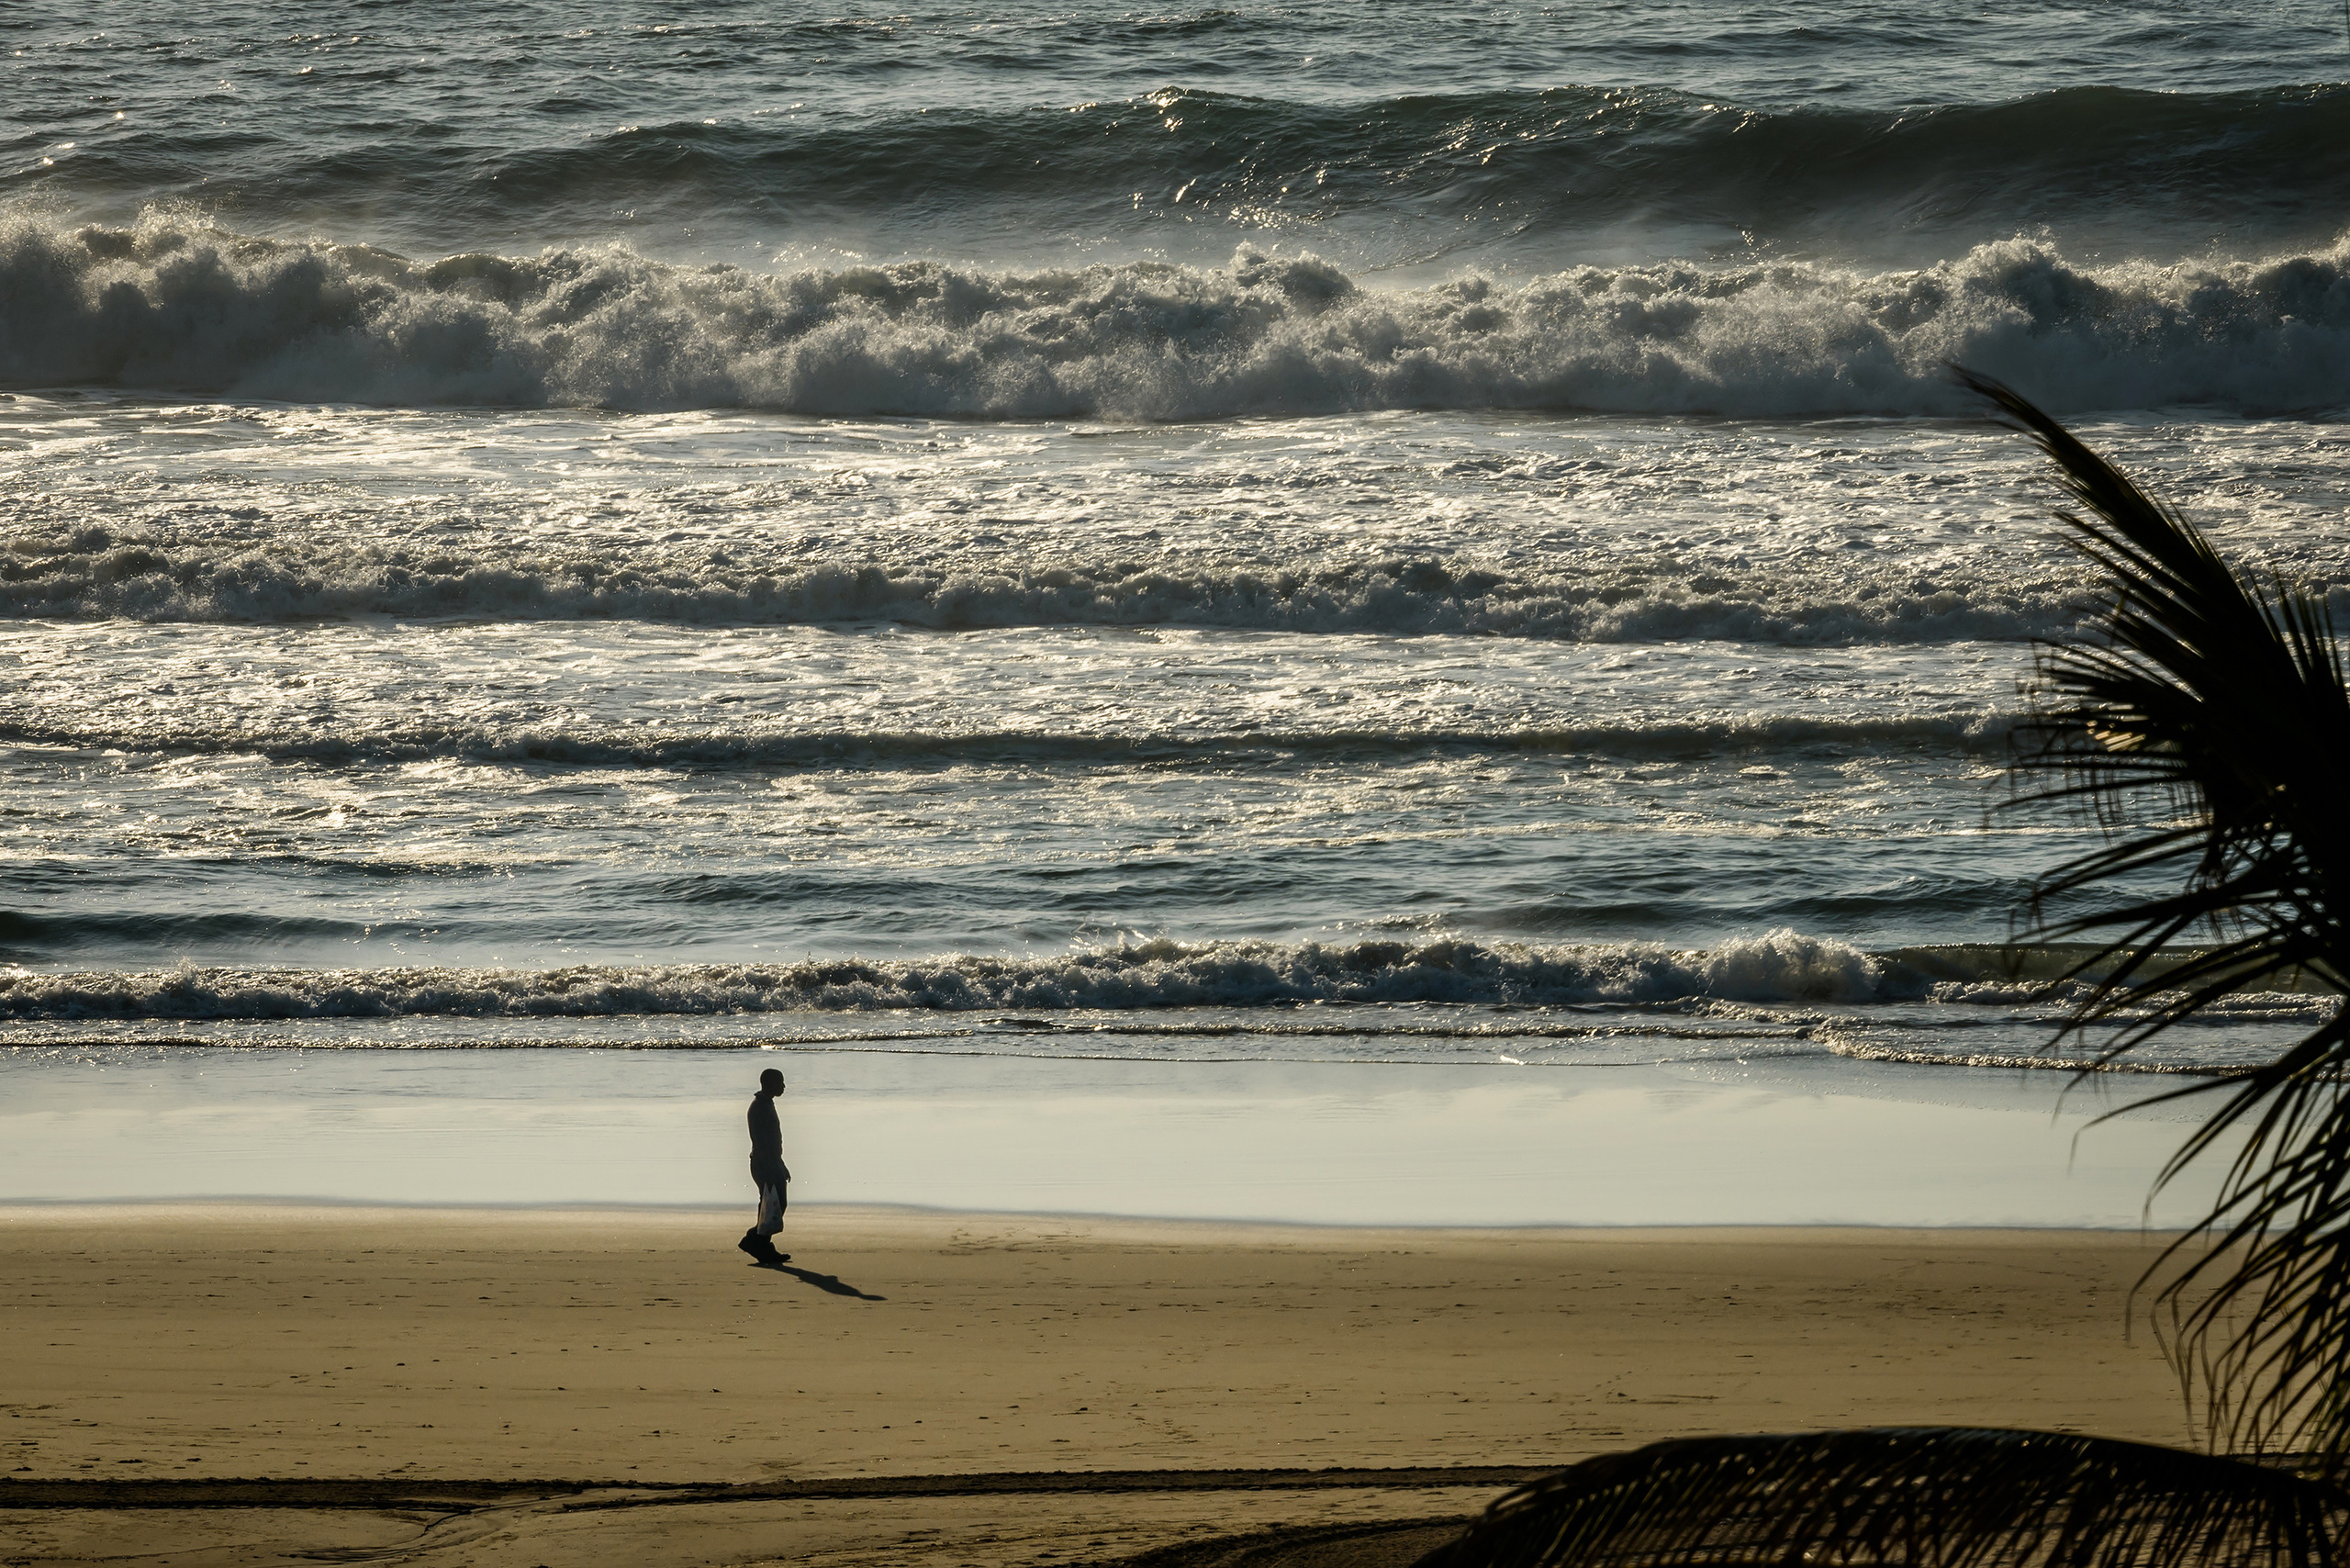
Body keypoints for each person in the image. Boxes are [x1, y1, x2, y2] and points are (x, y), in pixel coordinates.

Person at [739, 1068, 791, 1264]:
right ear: (769, 1084)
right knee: (773, 1206)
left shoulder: (765, 1103)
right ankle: (756, 1240)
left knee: (773, 1205)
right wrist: (772, 1167)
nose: (784, 1086)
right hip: (764, 1163)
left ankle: (760, 1242)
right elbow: (762, 1142)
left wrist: (781, 1164)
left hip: (770, 1162)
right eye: (780, 1083)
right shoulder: (760, 1107)